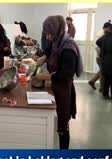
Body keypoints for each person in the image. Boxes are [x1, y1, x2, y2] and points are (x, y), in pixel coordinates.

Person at [34, 16, 83, 149]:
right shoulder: (56, 40)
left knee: (63, 123)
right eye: (46, 34)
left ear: (57, 31)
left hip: (63, 88)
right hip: (55, 85)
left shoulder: (68, 46)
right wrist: (43, 58)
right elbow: (48, 52)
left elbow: (67, 73)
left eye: (49, 34)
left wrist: (47, 77)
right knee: (53, 117)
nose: (48, 37)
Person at [88, 21, 111, 91]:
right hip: (100, 56)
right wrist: (101, 56)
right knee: (103, 72)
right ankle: (102, 88)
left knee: (102, 71)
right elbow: (97, 47)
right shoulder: (101, 35)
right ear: (105, 28)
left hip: (100, 55)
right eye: (109, 29)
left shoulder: (102, 33)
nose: (110, 30)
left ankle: (92, 81)